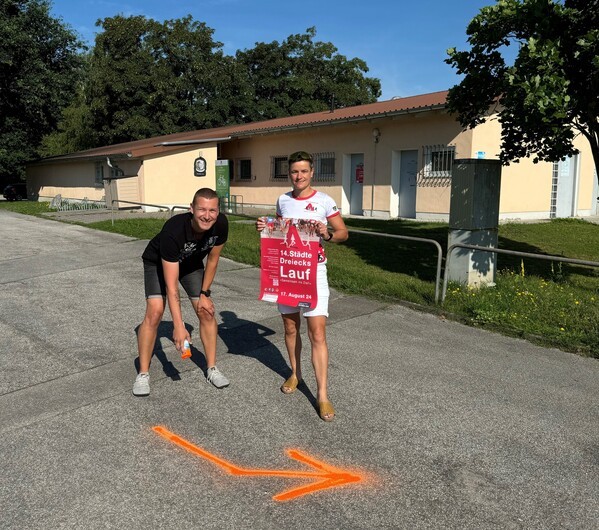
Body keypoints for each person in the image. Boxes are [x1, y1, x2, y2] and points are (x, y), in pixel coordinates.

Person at [256, 151, 348, 421]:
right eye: (294, 172)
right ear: (289, 174)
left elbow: (343, 233)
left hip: (314, 272)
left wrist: (327, 234)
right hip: (287, 271)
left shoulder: (324, 200)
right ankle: (295, 374)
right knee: (289, 326)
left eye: (304, 171)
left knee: (317, 332)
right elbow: (278, 229)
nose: (299, 176)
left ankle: (322, 394)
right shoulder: (283, 200)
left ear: (312, 173)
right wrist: (264, 225)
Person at [133, 187, 229, 396]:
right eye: (202, 209)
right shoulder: (173, 231)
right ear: (191, 209)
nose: (207, 215)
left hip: (191, 264)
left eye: (212, 210)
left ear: (218, 211)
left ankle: (212, 368)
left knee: (206, 311)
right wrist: (178, 325)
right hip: (158, 263)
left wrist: (205, 294)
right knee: (155, 311)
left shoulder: (221, 224)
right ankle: (143, 373)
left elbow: (212, 260)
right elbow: (171, 285)